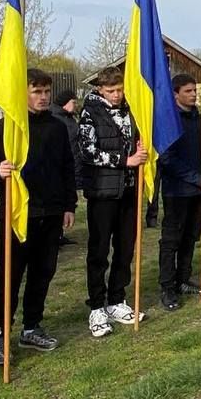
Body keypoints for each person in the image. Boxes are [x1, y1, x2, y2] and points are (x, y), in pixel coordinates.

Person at [0, 69, 77, 361]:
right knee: (10, 275)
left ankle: (32, 326)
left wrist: (69, 205)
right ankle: (0, 332)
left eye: (47, 91)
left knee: (43, 272)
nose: (43, 97)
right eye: (37, 91)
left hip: (51, 212)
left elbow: (67, 167)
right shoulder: (6, 128)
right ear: (22, 93)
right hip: (17, 214)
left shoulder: (57, 127)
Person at [79, 67, 147, 334]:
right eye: (111, 91)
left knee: (125, 247)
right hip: (103, 191)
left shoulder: (132, 109)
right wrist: (124, 160)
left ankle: (117, 298)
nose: (117, 95)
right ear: (100, 90)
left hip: (129, 190)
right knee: (99, 251)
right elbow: (88, 152)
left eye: (120, 90)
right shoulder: (90, 112)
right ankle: (97, 306)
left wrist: (140, 150)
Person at [157, 74, 201, 312]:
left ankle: (183, 278)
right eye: (188, 91)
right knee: (172, 240)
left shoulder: (199, 118)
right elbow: (167, 159)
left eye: (194, 90)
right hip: (176, 191)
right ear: (175, 94)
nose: (193, 95)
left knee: (191, 236)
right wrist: (194, 177)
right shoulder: (170, 120)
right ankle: (167, 287)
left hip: (198, 189)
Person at [51, 88, 83, 243]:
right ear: (65, 103)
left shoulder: (69, 118)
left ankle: (59, 233)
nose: (75, 105)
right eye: (73, 102)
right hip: (62, 166)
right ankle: (56, 234)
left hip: (73, 164)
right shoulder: (58, 120)